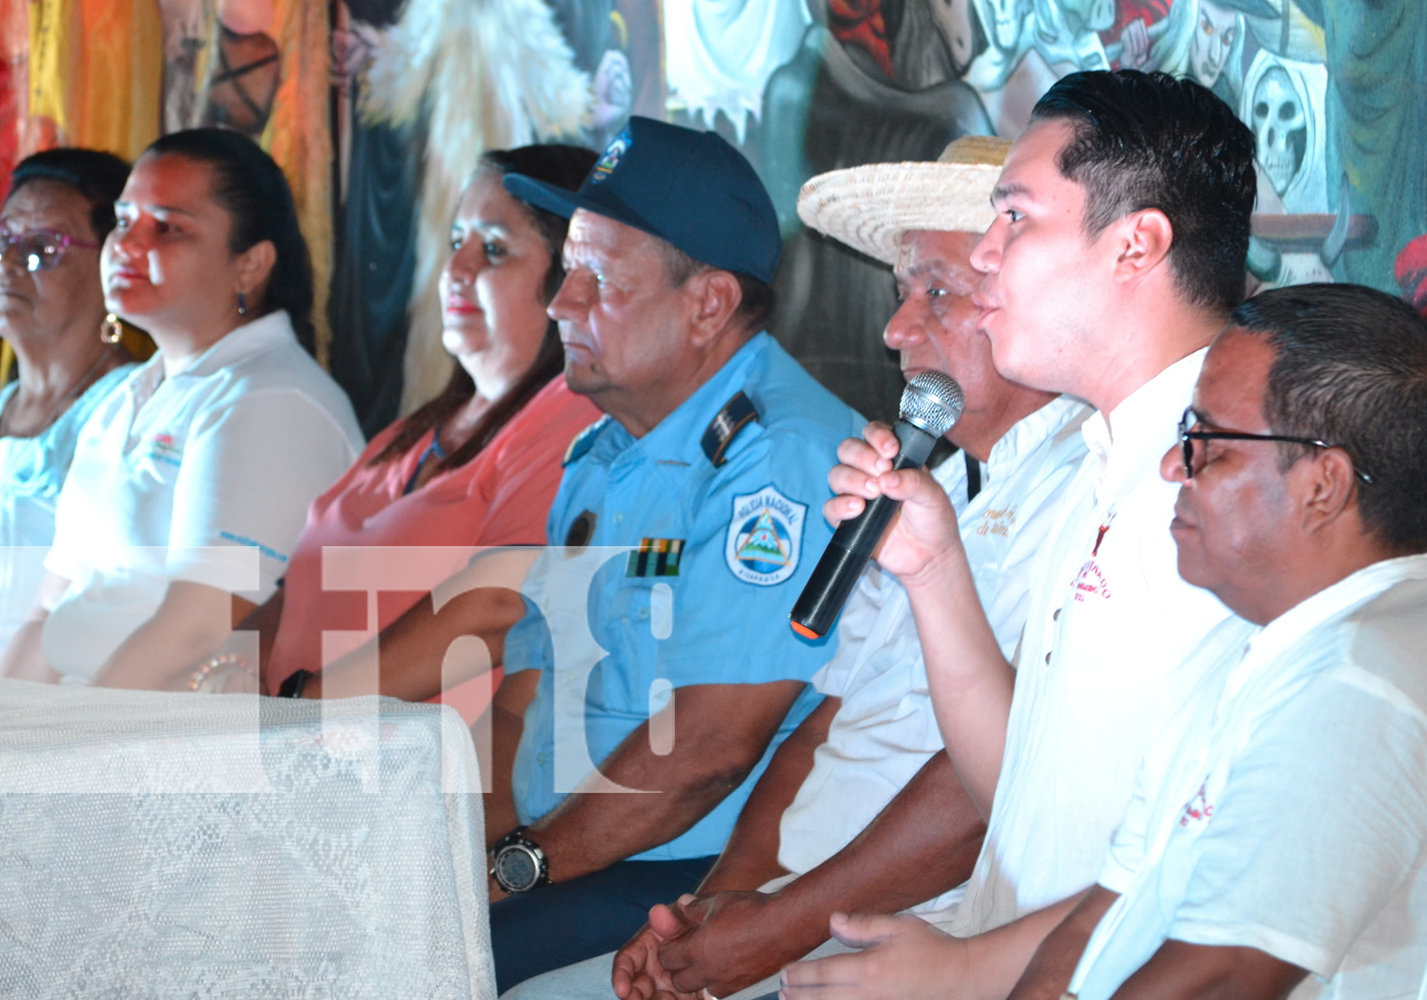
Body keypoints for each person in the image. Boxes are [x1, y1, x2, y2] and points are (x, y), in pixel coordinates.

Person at [507, 136, 1095, 1000]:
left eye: (938, 292)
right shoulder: (926, 476)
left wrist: (765, 933)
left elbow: (983, 793)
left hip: (915, 935)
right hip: (785, 902)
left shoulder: (1085, 489)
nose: (895, 331)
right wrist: (710, 912)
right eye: (903, 296)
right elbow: (823, 727)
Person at [791, 283, 1427, 1000]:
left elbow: (1216, 979)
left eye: (1207, 444)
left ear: (1323, 485)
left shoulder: (1358, 674)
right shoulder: (1258, 651)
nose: (1171, 466)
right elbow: (1111, 909)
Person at [777, 69, 1254, 997]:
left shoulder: (1232, 486)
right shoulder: (1104, 453)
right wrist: (933, 569)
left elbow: (1209, 871)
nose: (988, 257)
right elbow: (1021, 793)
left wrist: (962, 970)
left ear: (1136, 245)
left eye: (1015, 218)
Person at [479, 115, 863, 990]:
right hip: (565, 854)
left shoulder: (779, 458)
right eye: (566, 271)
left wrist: (512, 872)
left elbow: (710, 749)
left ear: (710, 304)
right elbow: (523, 697)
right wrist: (487, 857)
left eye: (596, 279)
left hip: (701, 878)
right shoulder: (605, 452)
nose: (558, 302)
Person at [227, 145, 602, 704]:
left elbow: (499, 606)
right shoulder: (414, 431)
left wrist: (308, 706)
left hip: (417, 770)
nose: (457, 269)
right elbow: (294, 591)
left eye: (494, 250)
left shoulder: (574, 417)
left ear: (573, 279)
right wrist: (227, 670)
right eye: (456, 243)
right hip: (293, 743)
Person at [0, 128, 364, 689]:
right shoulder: (123, 400)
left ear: (250, 265)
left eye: (167, 228)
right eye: (123, 221)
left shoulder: (273, 400)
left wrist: (55, 753)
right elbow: (49, 608)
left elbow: (199, 627)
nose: (128, 244)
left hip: (162, 747)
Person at [0, 148, 134, 674]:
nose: (9, 264)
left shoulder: (137, 412)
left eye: (43, 246)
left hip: (15, 727)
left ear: (113, 263)